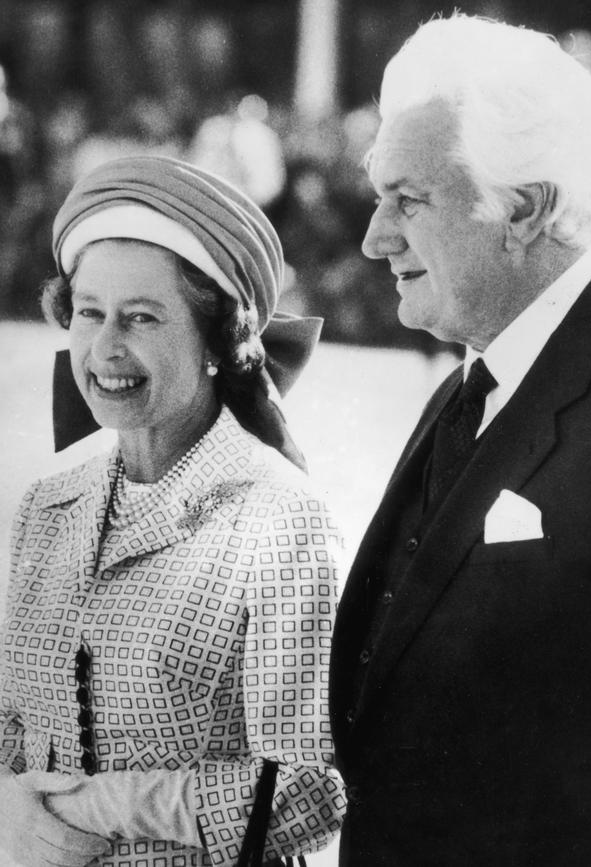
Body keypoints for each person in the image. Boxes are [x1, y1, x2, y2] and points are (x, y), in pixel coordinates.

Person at [329, 13, 591, 866]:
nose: (373, 237)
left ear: (525, 209)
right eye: (377, 197)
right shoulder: (468, 388)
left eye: (411, 199)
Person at [0, 154, 346, 867]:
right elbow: (13, 729)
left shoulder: (280, 518)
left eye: (143, 317)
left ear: (219, 340)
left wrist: (96, 809)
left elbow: (312, 789)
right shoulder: (47, 508)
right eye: (89, 311)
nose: (105, 348)